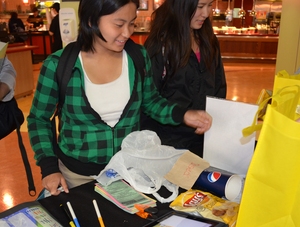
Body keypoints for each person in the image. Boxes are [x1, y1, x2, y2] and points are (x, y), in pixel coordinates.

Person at [27, 0, 212, 197]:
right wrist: (49, 167)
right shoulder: (59, 65)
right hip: (76, 176)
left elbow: (151, 102)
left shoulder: (137, 57)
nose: (127, 33)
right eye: (118, 24)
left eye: (131, 23)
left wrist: (183, 114)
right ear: (91, 21)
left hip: (127, 173)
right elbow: (39, 119)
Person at [141, 0, 227, 157]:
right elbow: (149, 101)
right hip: (169, 145)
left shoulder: (209, 40)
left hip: (205, 140)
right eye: (200, 6)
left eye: (209, 5)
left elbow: (219, 86)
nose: (206, 13)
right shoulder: (160, 46)